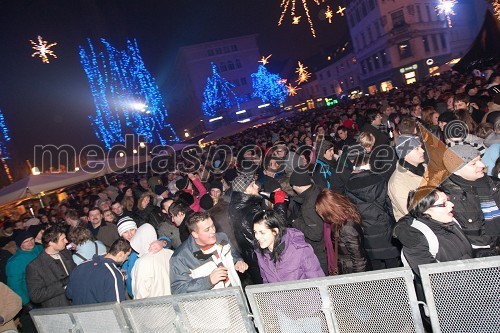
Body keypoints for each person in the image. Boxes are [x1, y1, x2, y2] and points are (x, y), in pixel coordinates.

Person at [394, 187, 472, 277]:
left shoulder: (452, 221)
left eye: (448, 200)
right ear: (425, 210)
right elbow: (433, 278)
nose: (451, 205)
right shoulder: (416, 239)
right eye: (443, 204)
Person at [440, 144, 500, 256]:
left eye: (480, 159)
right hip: (471, 259)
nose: (482, 165)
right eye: (473, 163)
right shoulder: (444, 197)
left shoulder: (495, 185)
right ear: (456, 170)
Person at [345, 154, 401, 270]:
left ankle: (379, 288)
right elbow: (389, 204)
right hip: (384, 226)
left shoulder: (349, 185)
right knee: (393, 263)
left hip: (366, 229)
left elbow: (351, 210)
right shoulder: (380, 179)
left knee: (375, 266)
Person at [170, 212, 248, 294]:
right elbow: (178, 289)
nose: (213, 231)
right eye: (207, 230)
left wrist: (238, 261)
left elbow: (233, 254)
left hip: (237, 294)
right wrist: (208, 281)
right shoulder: (180, 257)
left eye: (213, 226)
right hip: (213, 304)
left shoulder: (222, 238)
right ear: (195, 234)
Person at [253, 210, 324, 283]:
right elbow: (266, 283)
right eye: (255, 232)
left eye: (262, 232)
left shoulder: (300, 250)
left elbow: (318, 281)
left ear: (275, 231)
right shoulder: (260, 253)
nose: (257, 237)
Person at [315, 189, 367, 275]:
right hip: (347, 268)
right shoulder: (342, 219)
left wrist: (358, 282)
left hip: (351, 272)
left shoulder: (347, 228)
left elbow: (359, 260)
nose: (320, 215)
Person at [65, 239, 131, 305]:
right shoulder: (114, 274)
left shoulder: (81, 266)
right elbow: (117, 306)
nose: (127, 258)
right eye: (127, 255)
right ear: (121, 254)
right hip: (99, 314)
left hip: (78, 313)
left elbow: (69, 294)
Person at [26, 225, 76, 308]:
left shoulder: (66, 253)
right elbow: (36, 296)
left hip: (77, 302)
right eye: (63, 239)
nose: (66, 241)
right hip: (59, 309)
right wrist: (63, 283)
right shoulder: (35, 266)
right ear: (51, 243)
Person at [288, 170, 328, 274]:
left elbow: (315, 235)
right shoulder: (317, 189)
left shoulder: (308, 206)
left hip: (320, 250)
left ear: (296, 185)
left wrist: (295, 221)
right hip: (327, 243)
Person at [228, 173, 264, 284]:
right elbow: (268, 237)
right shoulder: (250, 212)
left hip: (253, 260)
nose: (257, 186)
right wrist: (280, 205)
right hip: (261, 261)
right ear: (244, 191)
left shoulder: (237, 205)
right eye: (252, 185)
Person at [6, 231, 42, 332]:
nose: (30, 243)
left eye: (31, 239)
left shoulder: (39, 249)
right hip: (30, 300)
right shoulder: (15, 262)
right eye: (26, 241)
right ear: (20, 244)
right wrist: (26, 303)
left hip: (43, 293)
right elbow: (15, 285)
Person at [388, 135, 426, 221]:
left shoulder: (424, 168)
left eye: (421, 147)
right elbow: (412, 213)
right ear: (405, 154)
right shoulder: (397, 183)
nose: (422, 150)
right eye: (417, 148)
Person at [130, 224, 173, 299]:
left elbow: (141, 294)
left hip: (154, 307)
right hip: (174, 302)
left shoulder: (142, 262)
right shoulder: (170, 253)